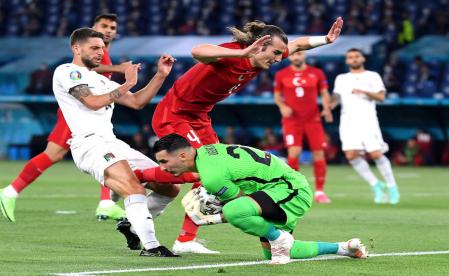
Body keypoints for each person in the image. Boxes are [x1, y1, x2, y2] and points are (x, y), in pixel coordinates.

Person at [148, 17, 344, 254]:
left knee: (214, 172)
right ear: (260, 45)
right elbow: (197, 51)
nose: (279, 58)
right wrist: (242, 55)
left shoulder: (262, 57)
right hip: (176, 113)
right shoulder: (235, 53)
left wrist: (326, 39)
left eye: (282, 53)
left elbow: (299, 44)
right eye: (276, 52)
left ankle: (185, 238)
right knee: (204, 171)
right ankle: (134, 181)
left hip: (200, 116)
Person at [51, 27, 180, 256]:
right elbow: (91, 102)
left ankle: (131, 225)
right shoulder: (67, 71)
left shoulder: (100, 79)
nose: (100, 52)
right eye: (94, 48)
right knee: (133, 188)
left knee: (169, 186)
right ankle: (151, 247)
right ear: (76, 48)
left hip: (113, 143)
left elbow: (137, 102)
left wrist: (160, 75)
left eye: (102, 48)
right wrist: (127, 83)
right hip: (89, 145)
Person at [0, 13, 132, 222]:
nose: (109, 30)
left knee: (104, 150)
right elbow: (87, 70)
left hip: (95, 114)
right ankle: (10, 191)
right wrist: (119, 69)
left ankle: (106, 203)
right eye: (104, 26)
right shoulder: (91, 52)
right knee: (55, 154)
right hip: (78, 113)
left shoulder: (104, 52)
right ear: (93, 27)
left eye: (112, 27)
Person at [153, 133, 368, 264]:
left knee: (234, 211)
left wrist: (215, 217)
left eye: (164, 161)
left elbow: (240, 202)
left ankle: (278, 237)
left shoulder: (212, 178)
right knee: (285, 251)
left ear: (182, 155)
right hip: (275, 188)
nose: (163, 168)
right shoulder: (208, 150)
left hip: (288, 188)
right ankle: (344, 248)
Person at [331, 48, 400, 204]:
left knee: (375, 154)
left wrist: (364, 91)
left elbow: (381, 96)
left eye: (356, 56)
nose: (354, 59)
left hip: (368, 122)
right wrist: (329, 106)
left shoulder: (372, 76)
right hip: (348, 122)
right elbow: (336, 97)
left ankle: (392, 187)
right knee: (351, 155)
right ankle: (376, 185)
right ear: (347, 61)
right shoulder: (341, 78)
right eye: (350, 57)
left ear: (363, 59)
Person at [273, 51, 333, 203]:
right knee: (294, 151)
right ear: (290, 57)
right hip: (292, 120)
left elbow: (325, 93)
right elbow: (277, 96)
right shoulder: (281, 74)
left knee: (318, 153)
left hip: (313, 119)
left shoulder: (316, 73)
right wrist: (282, 106)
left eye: (299, 54)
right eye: (293, 55)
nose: (296, 57)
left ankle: (320, 191)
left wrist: (326, 108)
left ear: (304, 55)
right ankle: (295, 189)